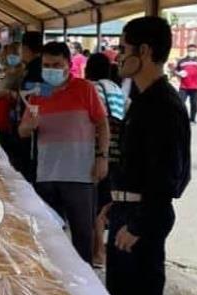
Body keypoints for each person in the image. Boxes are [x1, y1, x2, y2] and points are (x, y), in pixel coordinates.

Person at [107, 16, 191, 295]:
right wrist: (114, 202)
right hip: (129, 211)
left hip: (143, 218)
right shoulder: (144, 99)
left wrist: (139, 224)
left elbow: (167, 178)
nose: (118, 56)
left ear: (144, 50)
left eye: (123, 49)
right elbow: (138, 167)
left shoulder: (163, 105)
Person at [18, 42, 110, 265]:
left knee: (82, 235)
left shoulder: (84, 89)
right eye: (47, 65)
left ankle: (85, 281)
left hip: (80, 174)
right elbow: (22, 131)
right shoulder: (39, 93)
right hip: (46, 175)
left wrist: (101, 157)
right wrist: (29, 127)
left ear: (69, 65)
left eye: (57, 65)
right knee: (49, 234)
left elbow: (102, 124)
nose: (51, 70)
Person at [86, 53, 127, 269]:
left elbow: (95, 122)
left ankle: (97, 253)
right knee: (105, 204)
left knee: (96, 207)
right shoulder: (116, 88)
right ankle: (101, 251)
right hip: (117, 152)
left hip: (99, 152)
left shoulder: (91, 87)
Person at [0, 42, 26, 171]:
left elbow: (24, 95)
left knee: (12, 146)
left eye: (15, 55)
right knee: (2, 141)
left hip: (13, 114)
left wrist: (9, 93)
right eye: (9, 55)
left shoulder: (22, 73)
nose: (11, 58)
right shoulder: (3, 72)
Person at [18, 31, 45, 184]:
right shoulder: (30, 66)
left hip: (34, 125)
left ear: (26, 49)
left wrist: (18, 93)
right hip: (28, 121)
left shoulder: (36, 67)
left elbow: (42, 90)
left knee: (30, 163)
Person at [175, 44, 197, 123]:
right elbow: (176, 70)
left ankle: (192, 118)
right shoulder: (182, 61)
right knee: (180, 102)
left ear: (196, 51)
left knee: (194, 104)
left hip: (195, 86)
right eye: (190, 50)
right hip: (184, 86)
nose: (191, 52)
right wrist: (178, 74)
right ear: (187, 51)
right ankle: (181, 118)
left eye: (193, 50)